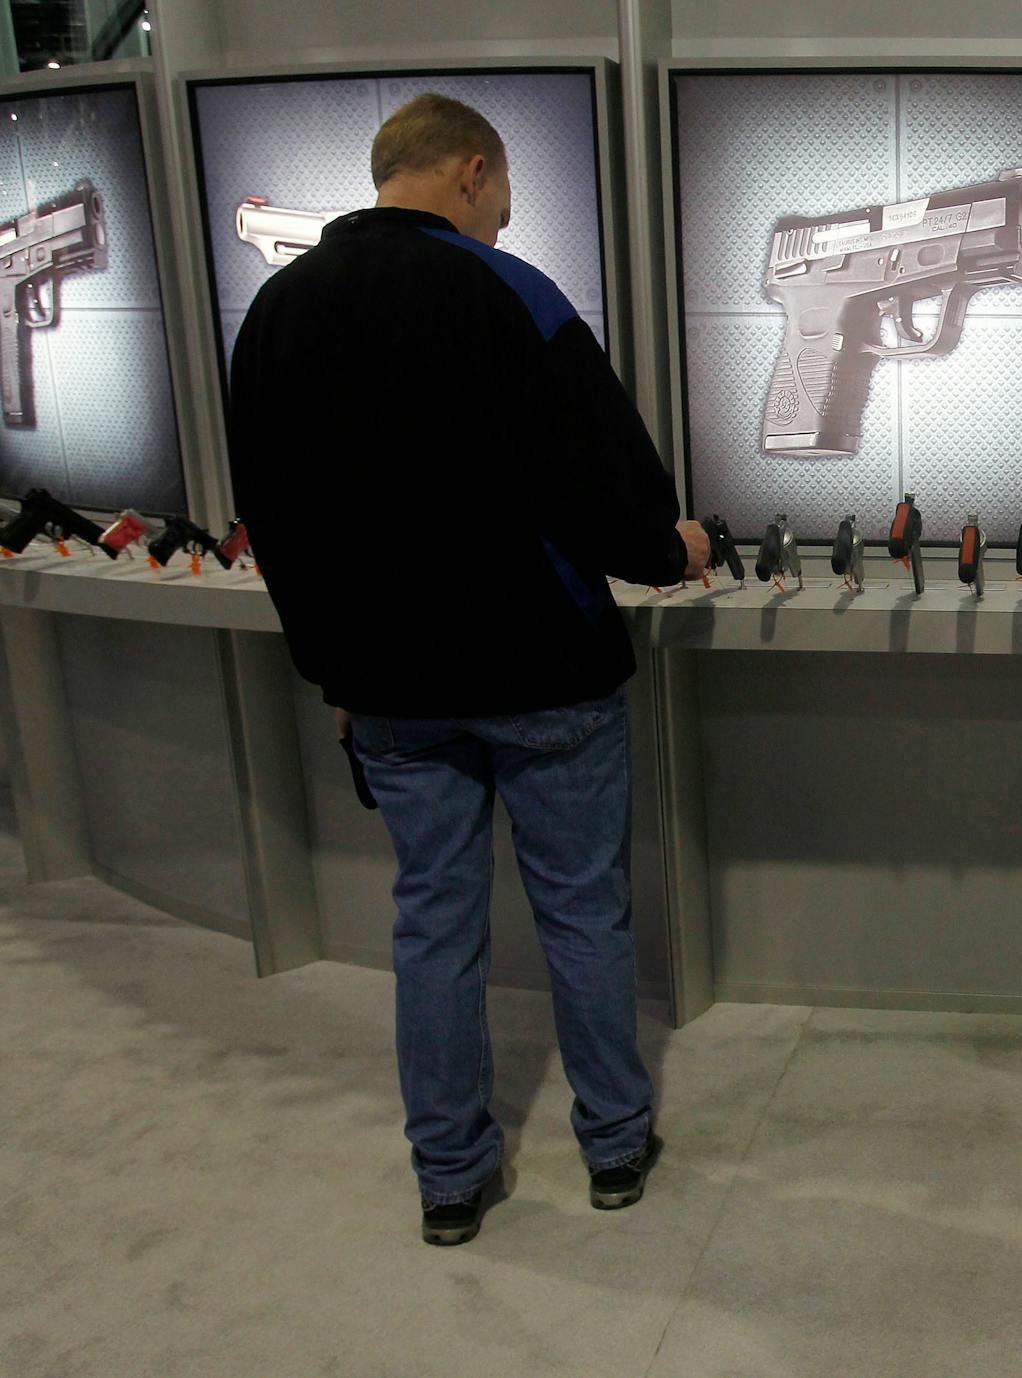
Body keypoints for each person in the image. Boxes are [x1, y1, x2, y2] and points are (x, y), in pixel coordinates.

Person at [226, 94, 709, 1246]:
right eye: (500, 194)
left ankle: (451, 1177)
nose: (505, 214)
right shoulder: (512, 293)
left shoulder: (277, 313)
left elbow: (276, 522)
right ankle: (612, 1150)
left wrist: (332, 668)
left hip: (389, 693)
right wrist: (669, 549)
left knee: (433, 927)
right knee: (583, 916)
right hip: (547, 680)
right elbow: (599, 477)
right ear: (469, 171)